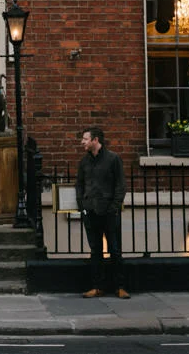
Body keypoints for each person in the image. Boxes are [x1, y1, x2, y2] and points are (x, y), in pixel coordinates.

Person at [75, 125, 128, 299]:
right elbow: (79, 185)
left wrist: (114, 208)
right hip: (90, 212)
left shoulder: (113, 159)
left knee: (115, 249)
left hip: (109, 212)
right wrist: (82, 206)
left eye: (85, 139)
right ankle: (97, 287)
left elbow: (120, 185)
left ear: (95, 140)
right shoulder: (84, 162)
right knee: (95, 250)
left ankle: (120, 286)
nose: (82, 142)